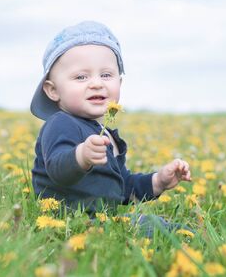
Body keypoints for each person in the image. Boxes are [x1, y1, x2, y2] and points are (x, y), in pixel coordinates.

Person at [30, 21, 192, 237]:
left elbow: (122, 187)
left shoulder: (104, 134)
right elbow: (57, 169)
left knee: (153, 224)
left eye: (106, 75)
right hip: (69, 223)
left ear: (120, 83)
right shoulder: (60, 123)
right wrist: (81, 156)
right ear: (53, 90)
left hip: (103, 222)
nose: (96, 83)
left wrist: (158, 181)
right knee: (154, 227)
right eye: (81, 77)